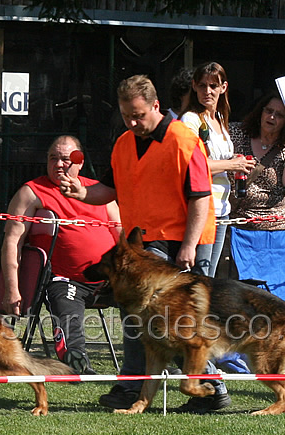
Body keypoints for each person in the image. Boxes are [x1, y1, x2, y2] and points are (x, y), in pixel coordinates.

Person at [61, 75, 231, 414]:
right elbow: (109, 189)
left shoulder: (185, 140)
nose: (133, 123)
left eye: (138, 115)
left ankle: (143, 386)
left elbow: (199, 199)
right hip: (142, 243)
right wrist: (82, 192)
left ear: (155, 106)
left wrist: (188, 246)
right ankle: (207, 388)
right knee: (151, 319)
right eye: (126, 116)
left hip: (178, 243)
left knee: (163, 320)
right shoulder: (124, 142)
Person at [1, 135, 121, 374]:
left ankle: (158, 363)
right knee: (64, 296)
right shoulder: (32, 192)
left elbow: (122, 236)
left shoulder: (100, 192)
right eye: (53, 158)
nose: (58, 164)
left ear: (79, 162)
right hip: (66, 279)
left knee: (148, 300)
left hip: (109, 279)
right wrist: (12, 289)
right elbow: (12, 241)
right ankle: (77, 363)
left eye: (66, 159)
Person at [180, 62, 255, 277]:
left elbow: (215, 160)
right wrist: (232, 164)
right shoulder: (191, 120)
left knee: (209, 276)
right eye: (202, 85)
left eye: (214, 85)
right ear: (194, 86)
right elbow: (190, 167)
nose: (208, 91)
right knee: (199, 276)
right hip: (201, 206)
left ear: (223, 88)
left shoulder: (220, 118)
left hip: (222, 207)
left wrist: (235, 161)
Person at [228, 92, 285, 230]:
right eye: (269, 111)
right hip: (235, 227)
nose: (272, 117)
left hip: (275, 229)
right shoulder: (234, 133)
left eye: (279, 115)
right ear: (260, 112)